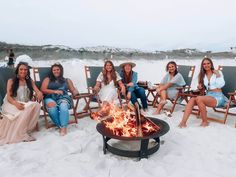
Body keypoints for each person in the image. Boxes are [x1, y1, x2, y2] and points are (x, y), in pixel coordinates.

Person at [0, 62, 43, 145]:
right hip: (11, 104)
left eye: (25, 70)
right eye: (21, 69)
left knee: (37, 105)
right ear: (17, 70)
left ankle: (26, 130)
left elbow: (37, 91)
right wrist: (16, 104)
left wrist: (39, 93)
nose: (23, 71)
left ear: (28, 71)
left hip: (24, 104)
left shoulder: (29, 81)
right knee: (29, 107)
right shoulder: (11, 81)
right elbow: (9, 97)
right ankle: (22, 134)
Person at [178, 57, 228, 128]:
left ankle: (205, 121)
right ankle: (183, 122)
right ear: (202, 66)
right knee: (192, 99)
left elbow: (221, 85)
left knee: (199, 99)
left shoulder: (217, 72)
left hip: (218, 97)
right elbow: (203, 90)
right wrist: (200, 87)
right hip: (208, 95)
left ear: (211, 64)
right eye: (204, 64)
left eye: (208, 63)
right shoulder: (202, 75)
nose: (206, 65)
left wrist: (218, 75)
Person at [41, 63, 79, 136]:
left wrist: (76, 93)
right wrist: (55, 91)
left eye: (57, 69)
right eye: (54, 70)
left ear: (61, 70)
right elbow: (43, 89)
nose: (56, 71)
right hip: (50, 97)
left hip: (63, 97)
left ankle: (63, 127)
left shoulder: (67, 80)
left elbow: (73, 90)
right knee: (52, 107)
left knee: (63, 106)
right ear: (52, 71)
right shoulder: (47, 79)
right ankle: (61, 126)